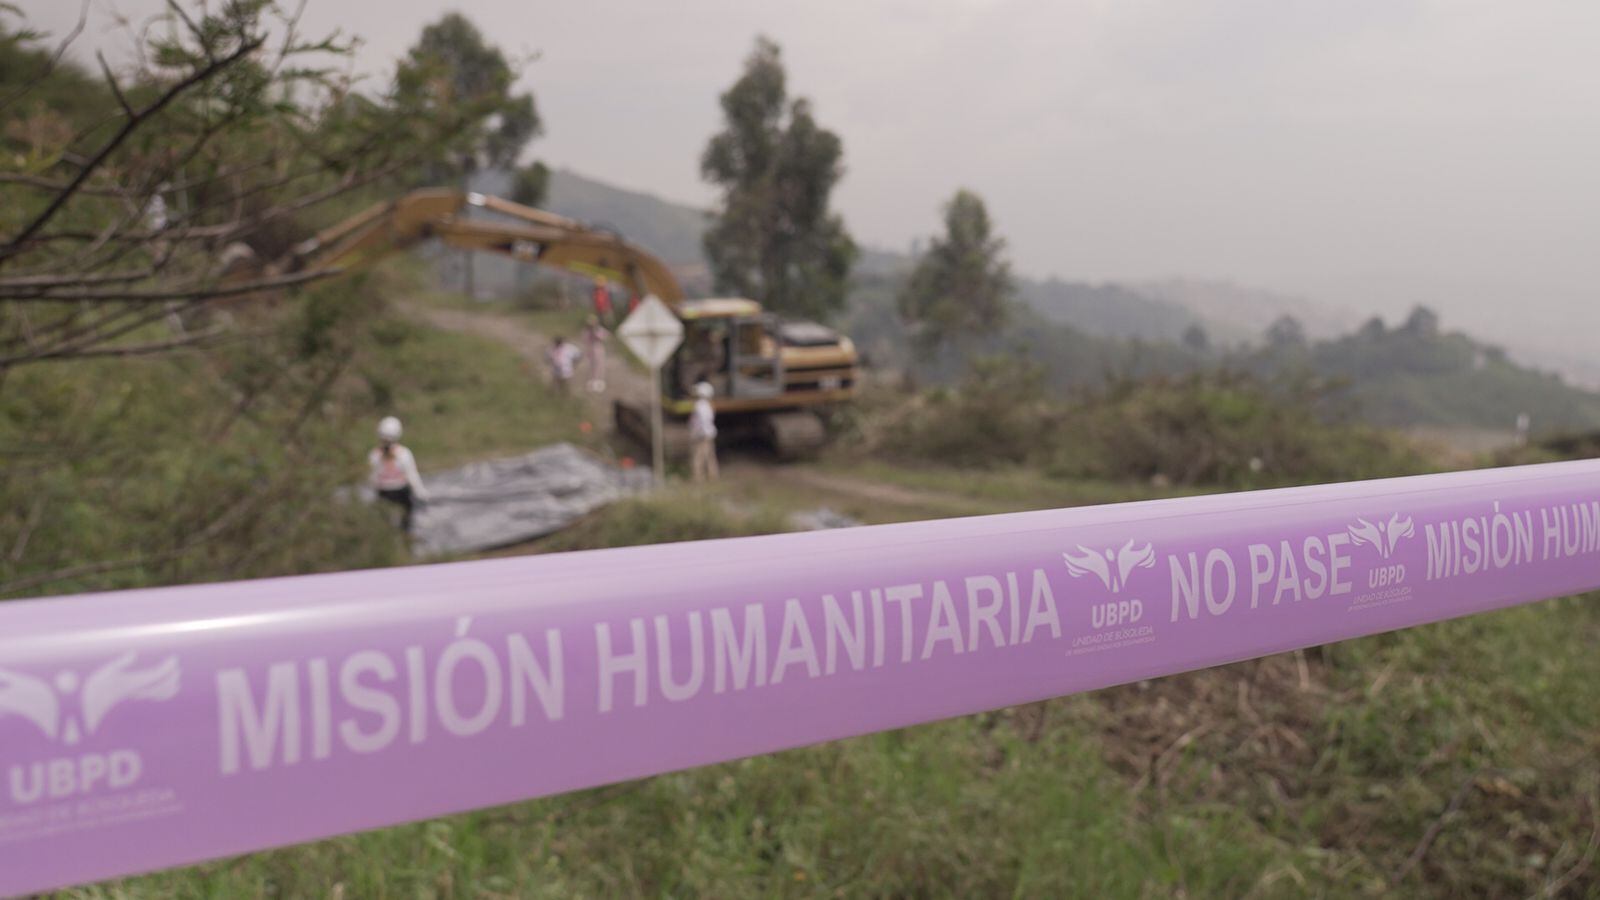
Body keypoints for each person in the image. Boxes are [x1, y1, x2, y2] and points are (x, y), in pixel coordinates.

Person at [369, 416, 427, 533]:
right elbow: (412, 476)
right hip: (401, 493)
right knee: (405, 524)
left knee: (385, 526)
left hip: (383, 494)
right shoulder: (404, 453)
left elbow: (372, 479)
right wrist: (421, 493)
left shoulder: (374, 455)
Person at [690, 380, 719, 483]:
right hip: (708, 434)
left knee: (699, 456)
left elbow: (701, 422)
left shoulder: (700, 406)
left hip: (702, 435)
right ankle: (713, 476)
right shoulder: (707, 405)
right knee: (710, 455)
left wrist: (698, 433)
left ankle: (698, 478)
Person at [582, 315, 609, 393]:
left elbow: (604, 337)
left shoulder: (599, 330)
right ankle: (593, 381)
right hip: (590, 350)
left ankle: (599, 381)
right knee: (591, 366)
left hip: (598, 350)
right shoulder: (586, 331)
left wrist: (595, 332)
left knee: (600, 365)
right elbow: (584, 339)